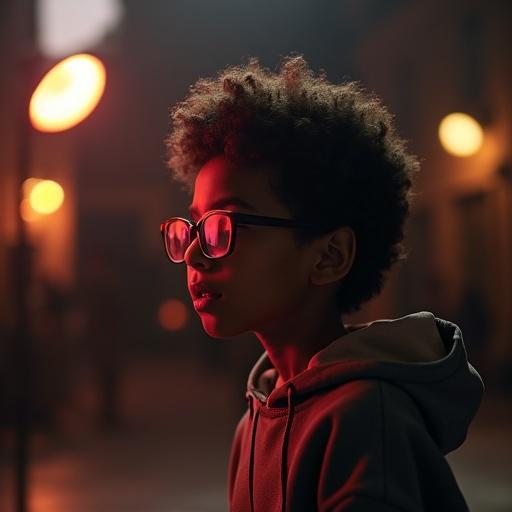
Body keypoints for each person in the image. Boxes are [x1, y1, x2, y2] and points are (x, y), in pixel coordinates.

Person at [161, 54, 484, 511]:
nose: (193, 253)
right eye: (193, 228)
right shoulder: (253, 420)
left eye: (223, 226)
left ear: (329, 256)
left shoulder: (367, 422)